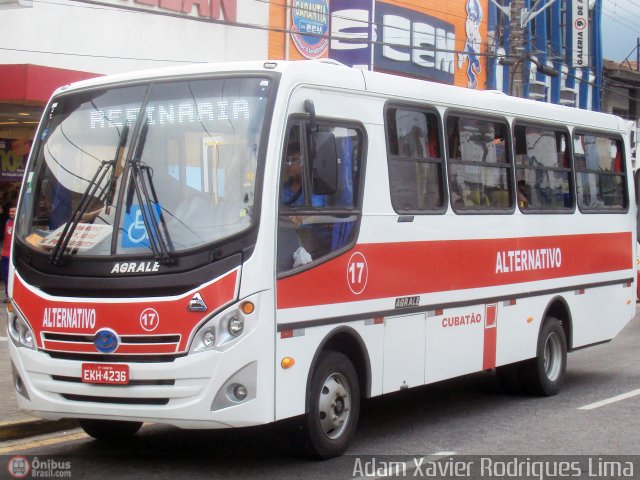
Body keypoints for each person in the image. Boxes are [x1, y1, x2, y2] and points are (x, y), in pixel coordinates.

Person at [2, 205, 16, 302]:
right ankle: (8, 295)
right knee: (5, 275)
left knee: (12, 276)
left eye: (13, 212)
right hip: (5, 253)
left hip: (13, 254)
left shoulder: (19, 223)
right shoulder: (7, 222)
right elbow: (5, 238)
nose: (11, 213)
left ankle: (12, 296)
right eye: (10, 211)